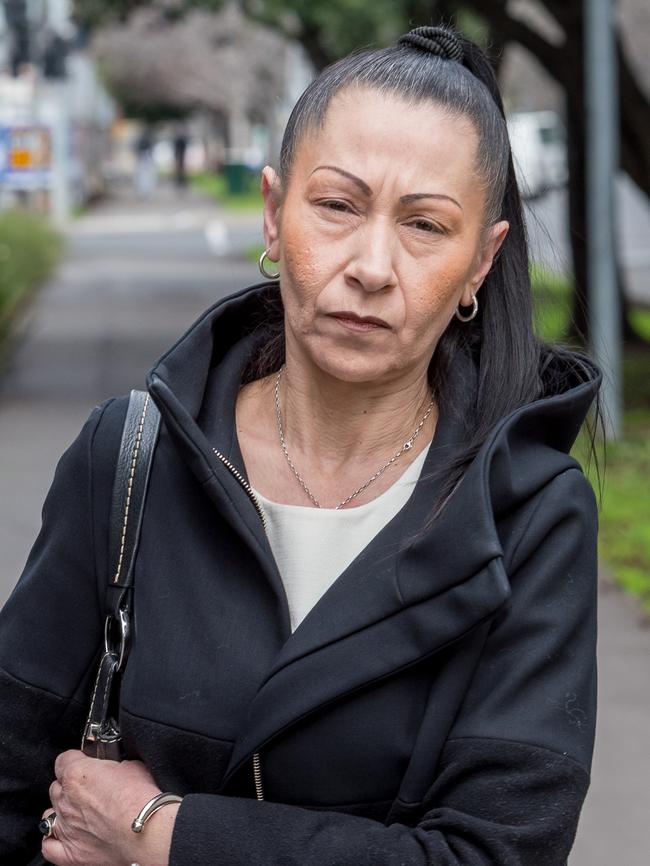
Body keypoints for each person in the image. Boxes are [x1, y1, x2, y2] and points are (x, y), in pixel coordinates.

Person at [0, 24, 601, 866]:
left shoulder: (529, 515)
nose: (372, 264)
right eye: (338, 205)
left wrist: (164, 835)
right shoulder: (130, 460)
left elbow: (498, 853)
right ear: (275, 213)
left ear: (480, 263)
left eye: (426, 225)